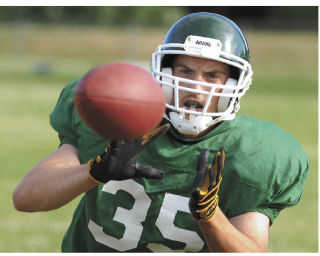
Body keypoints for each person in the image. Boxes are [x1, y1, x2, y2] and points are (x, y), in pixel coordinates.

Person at [13, 12, 309, 252]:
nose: (197, 85)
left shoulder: (256, 154)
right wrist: (94, 171)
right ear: (165, 72)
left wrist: (209, 215)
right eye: (185, 71)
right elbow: (25, 198)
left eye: (213, 75)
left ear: (233, 85)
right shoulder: (116, 120)